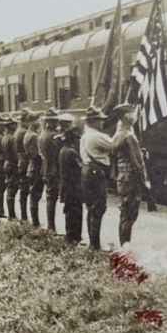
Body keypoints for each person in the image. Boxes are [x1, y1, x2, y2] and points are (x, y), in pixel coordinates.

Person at [80, 105, 126, 251]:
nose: (102, 123)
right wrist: (122, 129)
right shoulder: (95, 135)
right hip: (96, 173)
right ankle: (95, 244)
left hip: (88, 171)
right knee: (98, 207)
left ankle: (93, 242)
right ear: (93, 121)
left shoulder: (86, 134)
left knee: (91, 207)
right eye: (99, 120)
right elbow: (114, 145)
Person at [114, 106, 147, 246]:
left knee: (124, 212)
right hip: (131, 178)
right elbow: (138, 164)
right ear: (126, 117)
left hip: (122, 177)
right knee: (130, 214)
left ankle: (123, 245)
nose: (134, 117)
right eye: (132, 115)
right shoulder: (129, 136)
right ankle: (125, 248)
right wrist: (145, 182)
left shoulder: (118, 134)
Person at [59, 126, 84, 244]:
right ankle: (74, 236)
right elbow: (80, 168)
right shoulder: (72, 152)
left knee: (69, 211)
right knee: (76, 211)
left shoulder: (62, 151)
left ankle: (70, 235)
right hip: (74, 186)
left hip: (66, 185)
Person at [40, 108, 61, 231]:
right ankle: (51, 226)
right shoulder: (53, 136)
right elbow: (57, 153)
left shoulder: (43, 134)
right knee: (52, 198)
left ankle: (51, 225)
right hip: (53, 169)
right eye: (56, 120)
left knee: (50, 197)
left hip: (46, 168)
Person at [24, 112, 43, 226]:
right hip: (36, 167)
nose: (40, 123)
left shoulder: (27, 134)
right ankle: (35, 222)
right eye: (38, 121)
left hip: (30, 166)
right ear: (32, 122)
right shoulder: (34, 136)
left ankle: (34, 221)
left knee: (33, 194)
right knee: (35, 194)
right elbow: (37, 155)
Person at [14, 109, 31, 221]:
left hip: (21, 161)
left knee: (23, 188)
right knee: (25, 189)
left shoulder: (18, 131)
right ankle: (24, 216)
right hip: (25, 162)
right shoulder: (23, 132)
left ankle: (23, 215)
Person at [3, 115, 19, 220]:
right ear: (10, 126)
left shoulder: (5, 137)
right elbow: (15, 153)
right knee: (12, 189)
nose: (16, 125)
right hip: (12, 164)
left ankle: (11, 214)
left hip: (6, 163)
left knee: (10, 188)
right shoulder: (12, 138)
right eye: (14, 124)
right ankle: (11, 215)